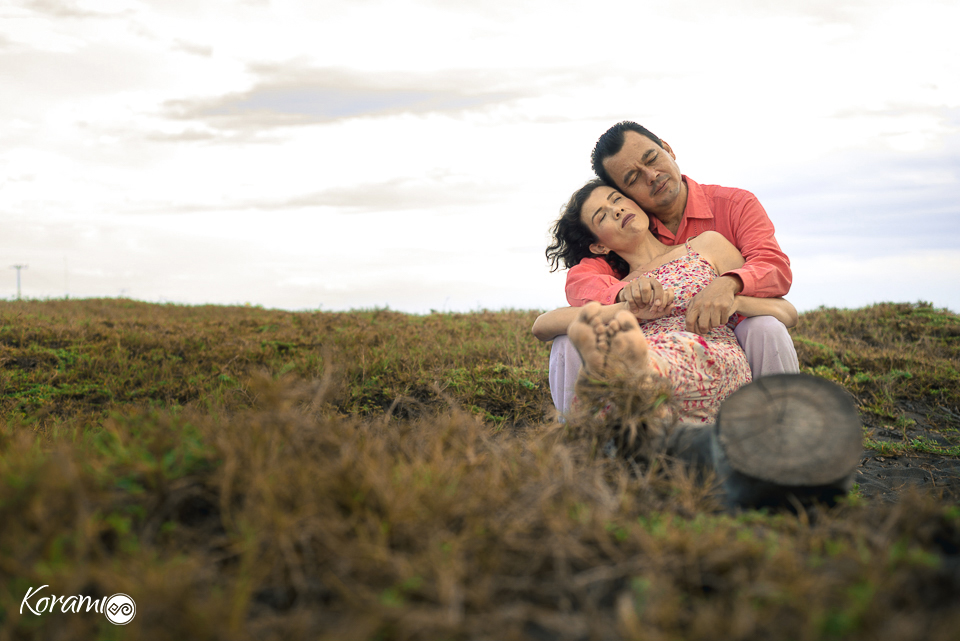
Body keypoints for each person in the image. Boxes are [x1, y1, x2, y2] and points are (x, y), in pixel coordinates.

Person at [548, 121, 799, 413]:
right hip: (652, 346)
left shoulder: (732, 206)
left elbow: (772, 268)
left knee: (766, 327)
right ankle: (583, 445)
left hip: (730, 334)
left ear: (667, 149)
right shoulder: (625, 238)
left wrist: (727, 286)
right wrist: (626, 297)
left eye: (652, 158)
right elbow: (582, 284)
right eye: (632, 178)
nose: (652, 176)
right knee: (567, 340)